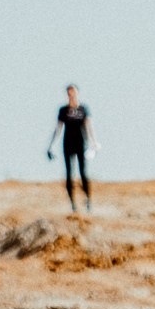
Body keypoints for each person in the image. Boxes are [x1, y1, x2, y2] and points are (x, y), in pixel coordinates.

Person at [45, 85, 97, 213]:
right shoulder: (63, 110)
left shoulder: (83, 109)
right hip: (68, 143)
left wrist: (93, 143)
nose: (71, 95)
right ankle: (73, 204)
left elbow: (89, 126)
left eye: (73, 92)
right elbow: (58, 128)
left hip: (81, 143)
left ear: (77, 93)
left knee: (83, 172)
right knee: (69, 174)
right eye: (69, 93)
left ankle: (88, 199)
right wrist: (51, 146)